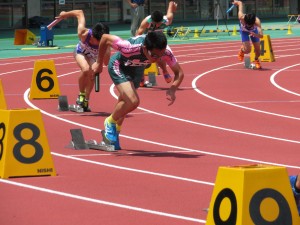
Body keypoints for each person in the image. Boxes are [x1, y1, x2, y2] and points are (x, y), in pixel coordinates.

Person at [92, 31, 184, 150]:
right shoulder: (128, 47)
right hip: (119, 65)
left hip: (136, 69)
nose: (157, 59)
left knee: (125, 102)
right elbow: (104, 38)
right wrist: (99, 63)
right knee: (133, 101)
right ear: (145, 48)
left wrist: (173, 89)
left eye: (160, 56)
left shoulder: (165, 52)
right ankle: (109, 122)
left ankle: (115, 134)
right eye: (154, 56)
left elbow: (179, 73)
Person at [55, 10, 110, 111]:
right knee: (85, 69)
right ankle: (81, 94)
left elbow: (105, 63)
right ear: (93, 36)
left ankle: (86, 99)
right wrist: (65, 14)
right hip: (80, 52)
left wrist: (100, 64)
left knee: (92, 74)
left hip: (93, 56)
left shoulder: (106, 44)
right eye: (99, 42)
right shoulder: (83, 33)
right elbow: (79, 13)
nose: (100, 43)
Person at [136, 1, 177, 85]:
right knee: (142, 57)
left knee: (161, 55)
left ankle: (165, 71)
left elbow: (170, 12)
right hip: (148, 39)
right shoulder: (147, 21)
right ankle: (141, 75)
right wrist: (138, 45)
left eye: (159, 23)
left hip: (159, 38)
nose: (158, 25)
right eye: (156, 23)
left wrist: (171, 4)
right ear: (152, 20)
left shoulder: (166, 20)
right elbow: (138, 33)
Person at [232, 1, 263, 69]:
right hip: (244, 31)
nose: (249, 26)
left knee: (258, 50)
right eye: (247, 24)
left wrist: (255, 34)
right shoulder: (241, 17)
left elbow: (261, 36)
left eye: (250, 25)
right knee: (248, 50)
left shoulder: (257, 21)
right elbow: (240, 3)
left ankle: (256, 60)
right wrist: (236, 2)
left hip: (254, 32)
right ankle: (242, 50)